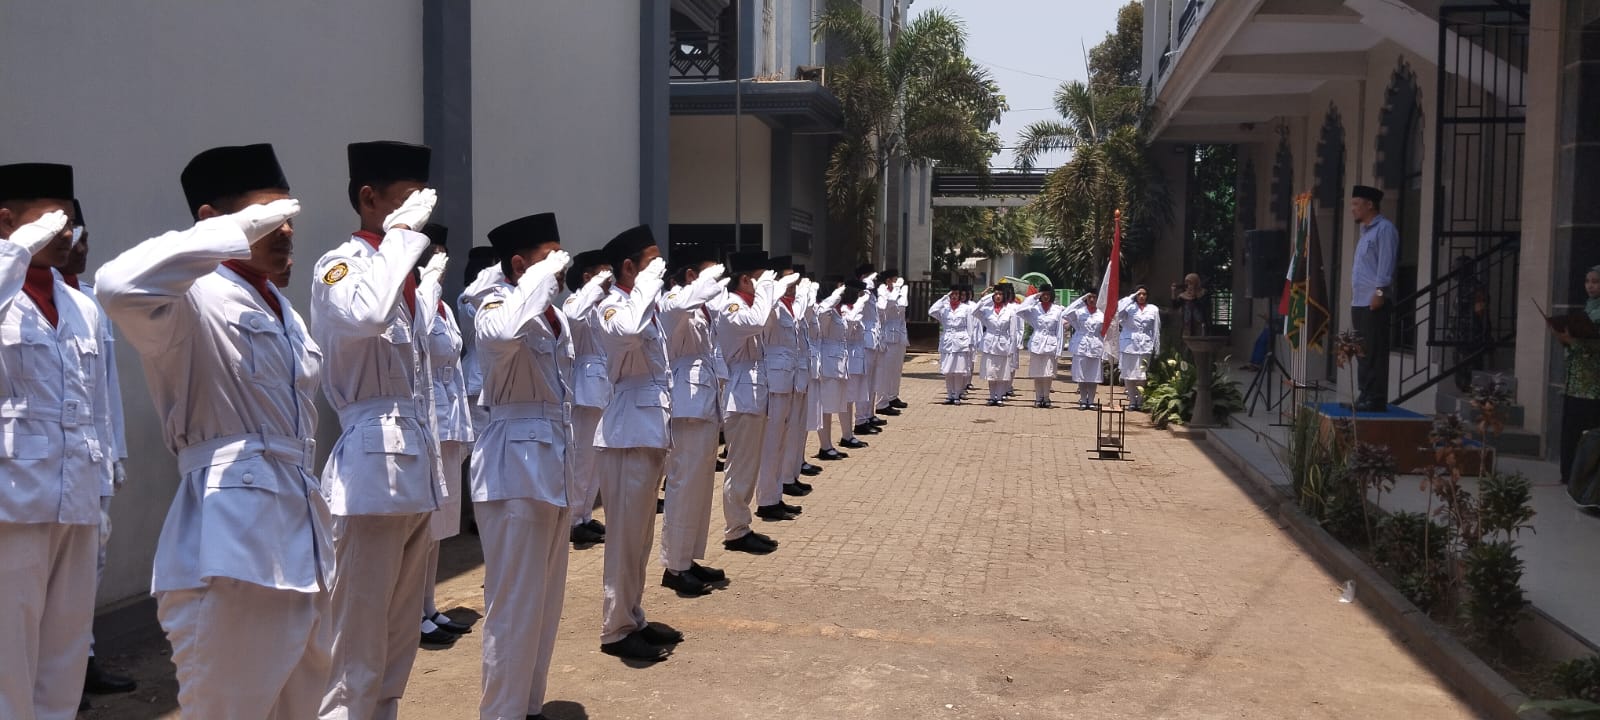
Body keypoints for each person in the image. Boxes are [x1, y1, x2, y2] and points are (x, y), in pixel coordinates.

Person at [96, 145, 330, 717]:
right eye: (267, 218)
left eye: (288, 218)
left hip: (304, 537)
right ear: (214, 221)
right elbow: (116, 286)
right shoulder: (188, 298)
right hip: (231, 543)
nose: (285, 231)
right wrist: (223, 236)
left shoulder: (283, 308)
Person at [312, 140, 445, 718]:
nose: (419, 215)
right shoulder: (340, 265)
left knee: (396, 645)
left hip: (415, 470)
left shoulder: (405, 275)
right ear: (369, 199)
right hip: (369, 473)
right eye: (405, 201)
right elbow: (366, 316)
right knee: (353, 649)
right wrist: (401, 238)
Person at [0, 163, 110, 719]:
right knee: (7, 663)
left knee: (63, 661)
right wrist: (13, 254)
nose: (67, 233)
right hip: (11, 504)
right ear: (7, 222)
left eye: (69, 221)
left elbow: (98, 408)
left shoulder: (80, 304)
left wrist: (104, 497)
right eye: (52, 220)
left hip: (77, 498)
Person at [466, 211, 574, 720]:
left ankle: (527, 706)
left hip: (549, 462)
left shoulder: (554, 312)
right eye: (547, 257)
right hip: (513, 466)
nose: (559, 266)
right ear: (517, 264)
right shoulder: (494, 302)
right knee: (512, 606)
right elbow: (499, 334)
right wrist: (530, 281)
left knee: (545, 602)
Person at [60, 200, 139, 701]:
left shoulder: (89, 302)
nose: (83, 245)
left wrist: (115, 454)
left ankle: (82, 660)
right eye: (74, 235)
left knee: (92, 565)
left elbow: (105, 390)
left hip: (92, 455)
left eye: (85, 234)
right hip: (40, 465)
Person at [593, 225, 678, 663]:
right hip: (626, 433)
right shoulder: (611, 306)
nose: (659, 270)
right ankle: (615, 628)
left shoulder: (646, 306)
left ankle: (632, 614)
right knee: (625, 538)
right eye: (651, 262)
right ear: (629, 267)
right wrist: (645, 284)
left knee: (641, 536)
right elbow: (625, 333)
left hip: (647, 430)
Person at [658, 246, 735, 592]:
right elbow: (674, 308)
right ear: (691, 276)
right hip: (686, 404)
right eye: (711, 275)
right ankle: (674, 566)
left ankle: (688, 558)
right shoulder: (674, 301)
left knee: (700, 487)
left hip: (703, 402)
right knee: (683, 485)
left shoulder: (703, 309)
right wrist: (700, 287)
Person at [416, 223, 476, 647]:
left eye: (442, 250)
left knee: (438, 527)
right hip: (426, 420)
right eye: (430, 250)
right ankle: (412, 614)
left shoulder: (442, 307)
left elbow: (453, 365)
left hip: (449, 420)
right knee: (421, 528)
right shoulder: (416, 302)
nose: (438, 258)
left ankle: (428, 606)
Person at [718, 252, 802, 540]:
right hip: (740, 395)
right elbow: (755, 323)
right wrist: (770, 287)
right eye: (759, 278)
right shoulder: (733, 305)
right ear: (744, 280)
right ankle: (736, 529)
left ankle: (741, 524)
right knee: (740, 466)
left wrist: (767, 288)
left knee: (748, 466)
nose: (765, 284)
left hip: (752, 393)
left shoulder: (751, 304)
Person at [561, 250, 614, 546]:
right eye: (603, 273)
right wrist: (593, 287)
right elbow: (572, 316)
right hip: (584, 386)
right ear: (587, 277)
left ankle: (583, 514)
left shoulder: (604, 305)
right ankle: (571, 519)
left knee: (595, 457)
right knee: (582, 457)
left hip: (603, 386)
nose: (610, 279)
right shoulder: (576, 301)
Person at [757, 257, 814, 504]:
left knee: (786, 436)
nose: (793, 285)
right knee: (772, 441)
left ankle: (779, 490)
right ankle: (767, 499)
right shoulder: (771, 306)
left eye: (794, 281)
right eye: (787, 280)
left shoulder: (792, 306)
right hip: (776, 380)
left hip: (792, 377)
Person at [1349, 184, 1398, 412]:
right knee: (1362, 351)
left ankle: (1375, 397)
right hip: (1359, 301)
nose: (1353, 209)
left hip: (1374, 300)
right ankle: (1364, 394)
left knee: (1375, 351)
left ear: (1370, 205)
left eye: (1356, 204)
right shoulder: (1365, 232)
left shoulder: (1385, 229)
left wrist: (1379, 293)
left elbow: (1385, 264)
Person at [812, 280, 853, 458]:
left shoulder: (837, 310)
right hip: (827, 363)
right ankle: (825, 446)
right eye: (837, 288)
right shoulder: (824, 309)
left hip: (837, 362)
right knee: (825, 408)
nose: (841, 293)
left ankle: (828, 444)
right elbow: (822, 318)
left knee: (831, 405)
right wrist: (834, 297)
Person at [1017, 284, 1067, 408]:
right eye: (1043, 294)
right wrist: (1034, 297)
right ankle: (1038, 398)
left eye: (1048, 294)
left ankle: (1046, 397)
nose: (1045, 296)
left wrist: (1059, 349)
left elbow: (1060, 331)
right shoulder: (1034, 308)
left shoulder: (1058, 309)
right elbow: (1019, 310)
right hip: (1037, 342)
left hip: (1051, 343)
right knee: (1037, 373)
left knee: (1048, 373)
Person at [929, 283, 977, 404]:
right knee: (948, 370)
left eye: (956, 294)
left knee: (959, 370)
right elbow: (931, 311)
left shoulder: (966, 309)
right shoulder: (944, 308)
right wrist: (944, 298)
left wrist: (970, 344)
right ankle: (949, 394)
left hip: (961, 341)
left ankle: (957, 395)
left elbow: (970, 328)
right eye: (952, 294)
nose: (954, 296)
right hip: (947, 341)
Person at [1115, 286, 1161, 411]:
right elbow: (1117, 311)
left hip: (1145, 344)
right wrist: (1130, 297)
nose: (1141, 296)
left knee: (1142, 375)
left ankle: (1140, 401)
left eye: (1144, 294)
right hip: (1129, 344)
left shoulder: (1153, 309)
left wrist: (1156, 347)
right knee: (1128, 374)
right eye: (1139, 294)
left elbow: (1156, 330)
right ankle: (1132, 401)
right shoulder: (1128, 307)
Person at [975, 283, 1021, 406]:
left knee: (1001, 372)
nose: (998, 296)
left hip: (1003, 343)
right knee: (990, 372)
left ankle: (999, 397)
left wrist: (1012, 347)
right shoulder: (987, 310)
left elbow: (1013, 331)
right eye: (996, 294)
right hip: (989, 343)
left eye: (1000, 294)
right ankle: (991, 396)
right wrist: (986, 296)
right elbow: (975, 311)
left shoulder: (1010, 311)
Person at [874, 269, 910, 415]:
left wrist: (902, 291)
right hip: (887, 334)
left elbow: (902, 307)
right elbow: (887, 307)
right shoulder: (882, 292)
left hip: (899, 334)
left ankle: (893, 396)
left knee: (896, 369)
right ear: (888, 281)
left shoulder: (898, 292)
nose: (896, 282)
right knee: (886, 370)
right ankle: (882, 400)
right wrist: (896, 290)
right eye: (894, 280)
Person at [1064, 290, 1106, 410]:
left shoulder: (1101, 314)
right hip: (1081, 345)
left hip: (1096, 344)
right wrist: (1081, 299)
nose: (1092, 299)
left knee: (1094, 375)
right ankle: (1083, 399)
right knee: (1081, 375)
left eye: (1094, 297)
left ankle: (1091, 401)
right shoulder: (1079, 312)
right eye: (1089, 297)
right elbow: (1066, 313)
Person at [1171, 273, 1210, 337]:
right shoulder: (1183, 295)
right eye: (1187, 283)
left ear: (1196, 283)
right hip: (1187, 325)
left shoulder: (1203, 294)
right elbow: (1175, 306)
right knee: (1187, 343)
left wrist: (1194, 294)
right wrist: (1173, 292)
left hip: (1199, 325)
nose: (1188, 286)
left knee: (1199, 344)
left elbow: (1203, 307)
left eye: (1191, 283)